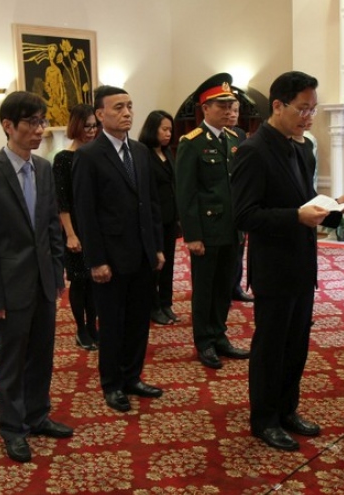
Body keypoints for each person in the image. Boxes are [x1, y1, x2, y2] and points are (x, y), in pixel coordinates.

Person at [230, 71, 344, 451]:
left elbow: (306, 203)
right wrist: (295, 217)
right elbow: (244, 215)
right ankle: (264, 419)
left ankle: (287, 409)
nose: (309, 117)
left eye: (313, 109)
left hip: (303, 263)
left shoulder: (301, 147)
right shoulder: (254, 151)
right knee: (271, 347)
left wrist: (335, 209)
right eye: (303, 109)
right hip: (273, 266)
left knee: (296, 345)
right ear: (278, 106)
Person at [0, 91, 72, 463]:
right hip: (8, 286)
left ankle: (37, 414)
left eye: (41, 121)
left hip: (43, 280)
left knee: (42, 354)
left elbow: (51, 227)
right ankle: (13, 428)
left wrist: (57, 275)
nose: (39, 129)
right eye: (31, 122)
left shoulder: (43, 168)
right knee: (11, 360)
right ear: (8, 126)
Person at [72, 85, 165, 413]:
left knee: (138, 321)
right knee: (112, 325)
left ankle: (132, 376)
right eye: (118, 108)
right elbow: (85, 213)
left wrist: (156, 247)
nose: (127, 113)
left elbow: (150, 203)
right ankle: (112, 384)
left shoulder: (139, 151)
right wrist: (96, 260)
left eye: (129, 106)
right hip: (110, 258)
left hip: (142, 253)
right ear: (100, 114)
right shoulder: (88, 155)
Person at [175, 73, 250, 370]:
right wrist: (192, 235)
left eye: (230, 105)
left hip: (232, 228)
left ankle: (219, 335)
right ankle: (204, 341)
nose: (228, 110)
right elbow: (186, 193)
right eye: (221, 105)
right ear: (205, 108)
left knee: (224, 287)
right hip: (207, 230)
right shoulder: (192, 143)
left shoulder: (234, 139)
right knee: (205, 288)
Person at [53, 103, 100, 350]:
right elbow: (62, 202)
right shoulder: (63, 159)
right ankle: (81, 329)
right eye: (87, 126)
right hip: (75, 228)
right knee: (80, 281)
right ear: (76, 126)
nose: (91, 131)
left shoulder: (96, 155)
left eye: (94, 126)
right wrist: (70, 235)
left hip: (95, 226)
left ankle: (93, 326)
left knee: (95, 280)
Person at [138, 110, 180, 326]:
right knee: (155, 264)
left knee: (169, 262)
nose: (168, 134)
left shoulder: (167, 152)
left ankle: (166, 302)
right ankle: (153, 306)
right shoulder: (143, 153)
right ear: (152, 129)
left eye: (170, 130)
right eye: (164, 129)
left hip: (170, 217)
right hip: (153, 218)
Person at [226, 100, 253, 304]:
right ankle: (224, 289)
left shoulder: (240, 135)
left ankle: (236, 286)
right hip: (222, 203)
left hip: (239, 199)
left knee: (239, 248)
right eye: (230, 110)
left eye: (236, 110)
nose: (233, 114)